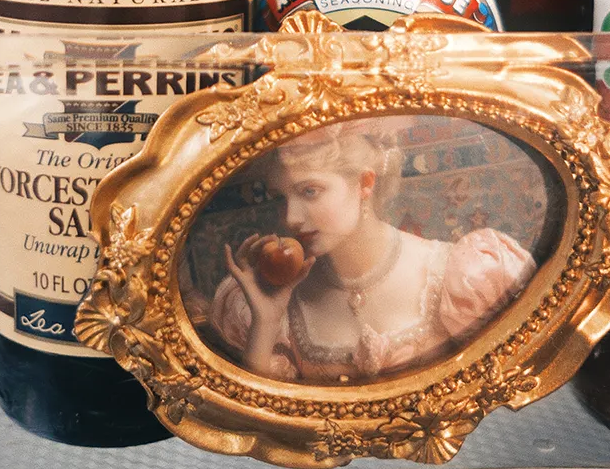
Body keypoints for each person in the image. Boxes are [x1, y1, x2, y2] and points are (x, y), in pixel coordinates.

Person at [210, 121, 537, 383]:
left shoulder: (468, 276)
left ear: (365, 184)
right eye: (281, 198)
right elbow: (264, 424)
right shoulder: (279, 306)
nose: (290, 218)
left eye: (310, 191)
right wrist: (265, 322)